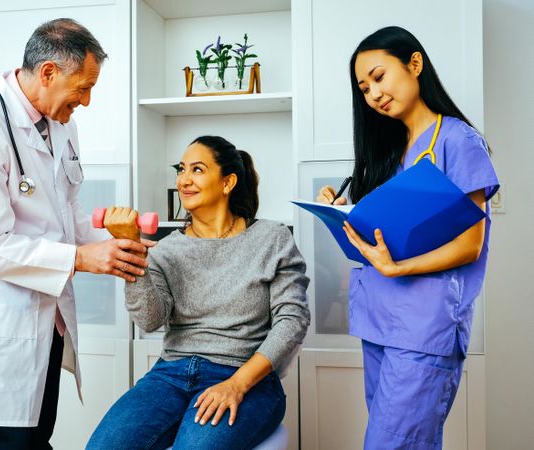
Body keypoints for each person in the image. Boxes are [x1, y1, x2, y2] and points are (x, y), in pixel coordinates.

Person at [0, 18, 150, 450]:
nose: (87, 101)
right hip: (5, 311)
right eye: (83, 87)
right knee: (8, 438)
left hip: (49, 312)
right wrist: (81, 259)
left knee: (37, 433)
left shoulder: (61, 121)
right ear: (49, 72)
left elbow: (65, 209)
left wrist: (110, 250)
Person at [316, 26, 499, 449]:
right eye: (364, 88)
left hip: (424, 327)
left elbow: (470, 244)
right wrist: (337, 207)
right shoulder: (387, 151)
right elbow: (379, 230)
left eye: (379, 77)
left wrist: (399, 267)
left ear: (414, 64)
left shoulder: (457, 141)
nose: (373, 94)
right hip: (379, 322)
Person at [86, 136, 311, 449]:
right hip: (170, 374)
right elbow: (149, 320)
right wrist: (135, 255)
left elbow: (292, 321)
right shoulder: (165, 250)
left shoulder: (271, 239)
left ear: (228, 182)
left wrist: (236, 384)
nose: (184, 179)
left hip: (245, 376)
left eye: (197, 169)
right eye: (181, 170)